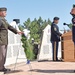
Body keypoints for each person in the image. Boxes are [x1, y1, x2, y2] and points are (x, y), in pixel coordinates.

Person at [0, 7, 22, 72]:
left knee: (4, 55)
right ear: (1, 13)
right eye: (5, 12)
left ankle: (2, 67)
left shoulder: (4, 20)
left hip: (4, 40)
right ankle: (1, 68)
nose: (6, 13)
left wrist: (17, 31)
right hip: (1, 40)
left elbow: (10, 27)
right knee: (2, 55)